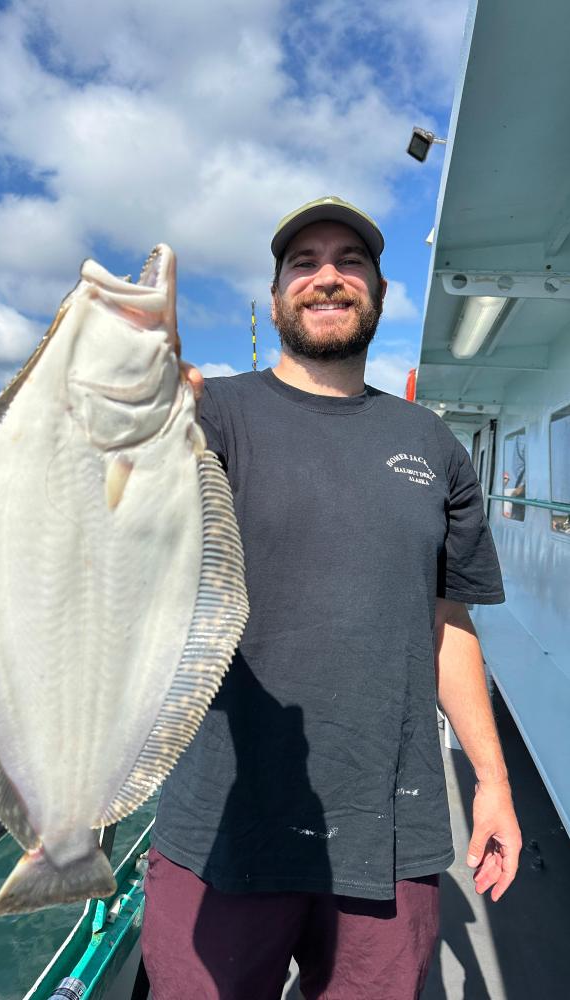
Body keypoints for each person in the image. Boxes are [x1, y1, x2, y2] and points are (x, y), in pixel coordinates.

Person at [141, 196, 522, 1000]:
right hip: (220, 823)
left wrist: (492, 781)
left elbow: (450, 625)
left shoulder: (433, 445)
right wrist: (141, 416)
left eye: (349, 261)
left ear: (378, 290)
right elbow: (118, 526)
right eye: (302, 263)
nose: (327, 277)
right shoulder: (210, 416)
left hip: (390, 831)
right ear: (277, 293)